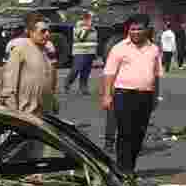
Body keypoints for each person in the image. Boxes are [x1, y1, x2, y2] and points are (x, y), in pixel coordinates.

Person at [101, 15, 163, 173]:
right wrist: (107, 95)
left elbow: (156, 75)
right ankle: (123, 170)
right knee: (125, 132)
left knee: (139, 133)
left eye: (139, 29)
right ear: (128, 30)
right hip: (123, 95)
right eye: (132, 29)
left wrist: (156, 96)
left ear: (146, 30)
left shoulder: (154, 49)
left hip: (146, 96)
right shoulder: (119, 48)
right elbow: (109, 73)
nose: (135, 32)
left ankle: (130, 168)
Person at [0, 12, 57, 116]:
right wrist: (13, 111)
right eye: (43, 31)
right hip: (25, 112)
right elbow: (9, 81)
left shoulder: (46, 50)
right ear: (30, 32)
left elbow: (51, 75)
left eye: (48, 31)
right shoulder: (20, 48)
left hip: (43, 111)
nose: (47, 34)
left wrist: (52, 99)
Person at [65, 12, 97, 95]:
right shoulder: (79, 25)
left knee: (86, 71)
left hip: (90, 52)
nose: (93, 20)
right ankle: (68, 82)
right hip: (81, 52)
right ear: (86, 19)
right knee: (76, 69)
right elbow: (81, 37)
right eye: (92, 18)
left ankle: (83, 88)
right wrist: (88, 28)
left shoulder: (92, 27)